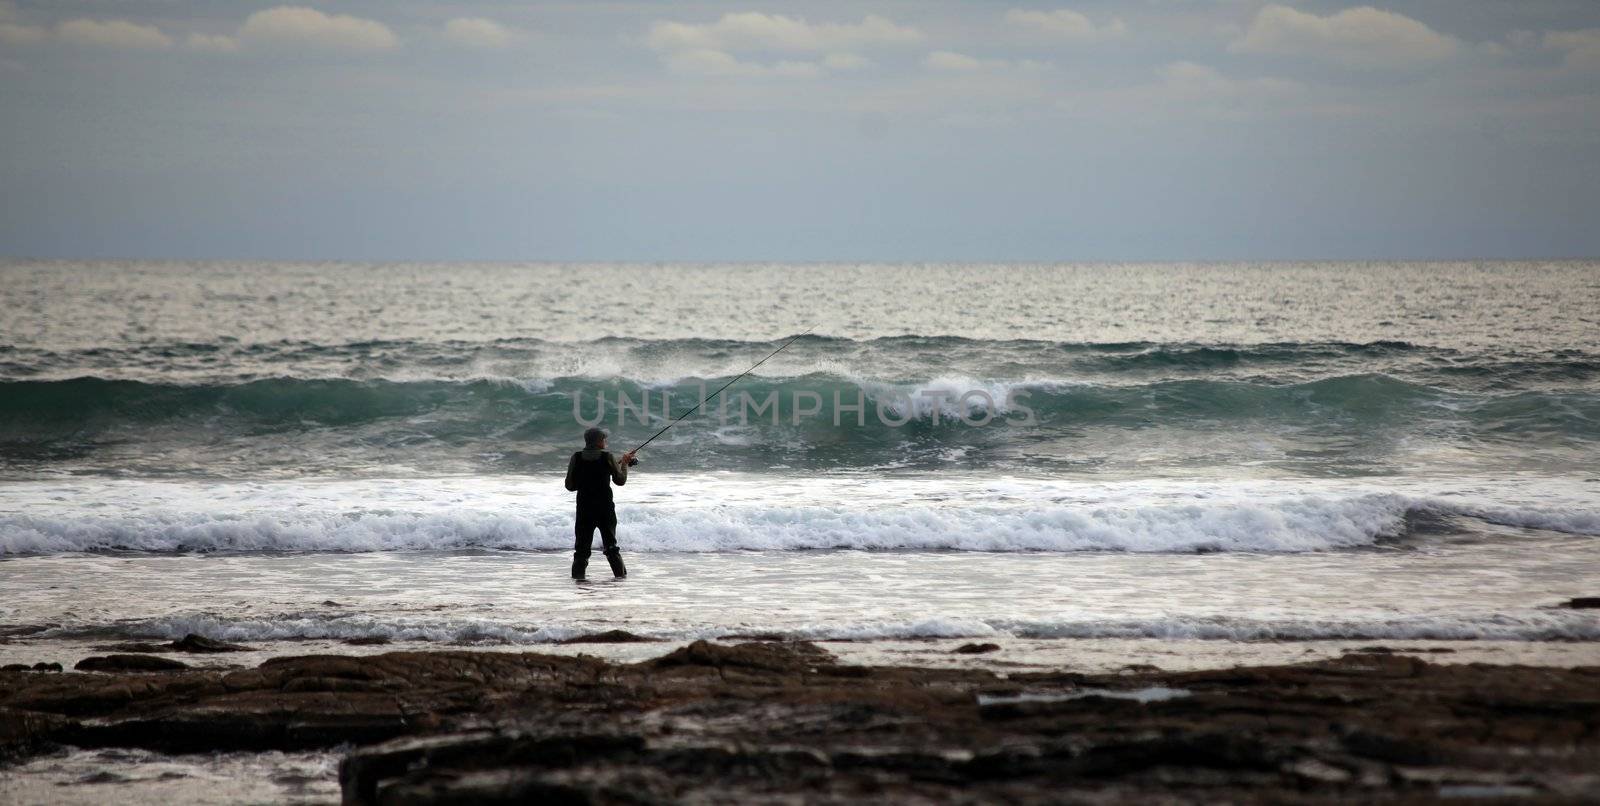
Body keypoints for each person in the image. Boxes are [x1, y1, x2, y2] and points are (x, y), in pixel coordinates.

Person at [564, 427, 635, 580]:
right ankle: (621, 581)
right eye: (604, 439)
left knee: (581, 551)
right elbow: (620, 480)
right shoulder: (607, 457)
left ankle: (579, 584)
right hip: (605, 509)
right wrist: (624, 463)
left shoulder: (576, 457)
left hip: (584, 509)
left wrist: (586, 479)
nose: (605, 441)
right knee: (611, 548)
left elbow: (570, 486)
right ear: (599, 442)